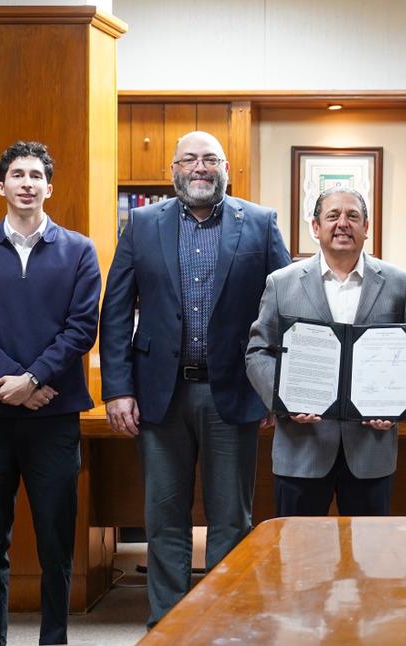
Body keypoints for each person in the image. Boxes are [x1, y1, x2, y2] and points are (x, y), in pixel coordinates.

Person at [100, 130, 290, 626]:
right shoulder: (143, 224)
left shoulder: (260, 223)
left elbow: (285, 312)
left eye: (210, 159)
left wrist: (276, 389)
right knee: (164, 518)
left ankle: (223, 624)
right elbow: (115, 310)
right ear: (173, 170)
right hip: (159, 395)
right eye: (189, 159)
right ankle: (169, 624)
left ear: (226, 168)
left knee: (231, 519)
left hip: (235, 392)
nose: (200, 167)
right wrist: (117, 389)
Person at [0, 141, 100, 645]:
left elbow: (81, 329)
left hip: (54, 417)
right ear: (1, 186)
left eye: (36, 176)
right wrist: (16, 384)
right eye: (17, 175)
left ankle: (53, 639)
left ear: (49, 188)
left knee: (56, 542)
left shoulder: (79, 250)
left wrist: (32, 381)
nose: (27, 183)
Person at [245, 186, 406, 516]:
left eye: (353, 216)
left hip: (370, 449)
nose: (343, 223)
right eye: (333, 216)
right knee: (298, 547)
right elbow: (258, 351)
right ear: (315, 227)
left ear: (366, 227)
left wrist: (394, 406)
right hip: (302, 448)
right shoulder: (281, 283)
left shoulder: (401, 284)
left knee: (370, 548)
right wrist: (284, 400)